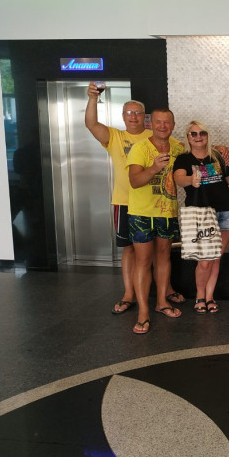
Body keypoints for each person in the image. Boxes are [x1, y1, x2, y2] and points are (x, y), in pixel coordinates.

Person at [84, 83, 167, 315]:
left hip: (152, 203)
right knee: (128, 249)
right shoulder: (115, 136)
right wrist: (92, 98)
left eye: (137, 112)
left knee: (159, 250)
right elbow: (91, 124)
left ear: (145, 117)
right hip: (124, 202)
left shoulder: (154, 136)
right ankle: (129, 294)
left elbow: (180, 150)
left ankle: (165, 293)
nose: (133, 116)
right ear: (123, 116)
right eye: (129, 112)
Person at [126, 109, 185, 334]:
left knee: (164, 257)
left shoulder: (178, 148)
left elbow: (195, 158)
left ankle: (161, 302)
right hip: (141, 213)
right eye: (158, 122)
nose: (162, 126)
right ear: (151, 124)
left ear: (173, 124)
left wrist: (219, 151)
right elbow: (134, 181)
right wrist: (154, 168)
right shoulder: (140, 148)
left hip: (167, 212)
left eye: (167, 122)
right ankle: (143, 311)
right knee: (142, 261)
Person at [173, 120, 229, 314]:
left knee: (215, 258)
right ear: (188, 137)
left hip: (225, 211)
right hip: (200, 214)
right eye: (194, 133)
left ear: (208, 135)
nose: (198, 137)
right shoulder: (183, 158)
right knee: (205, 260)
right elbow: (178, 178)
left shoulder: (218, 155)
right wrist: (191, 180)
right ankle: (200, 295)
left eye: (202, 133)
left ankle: (209, 297)